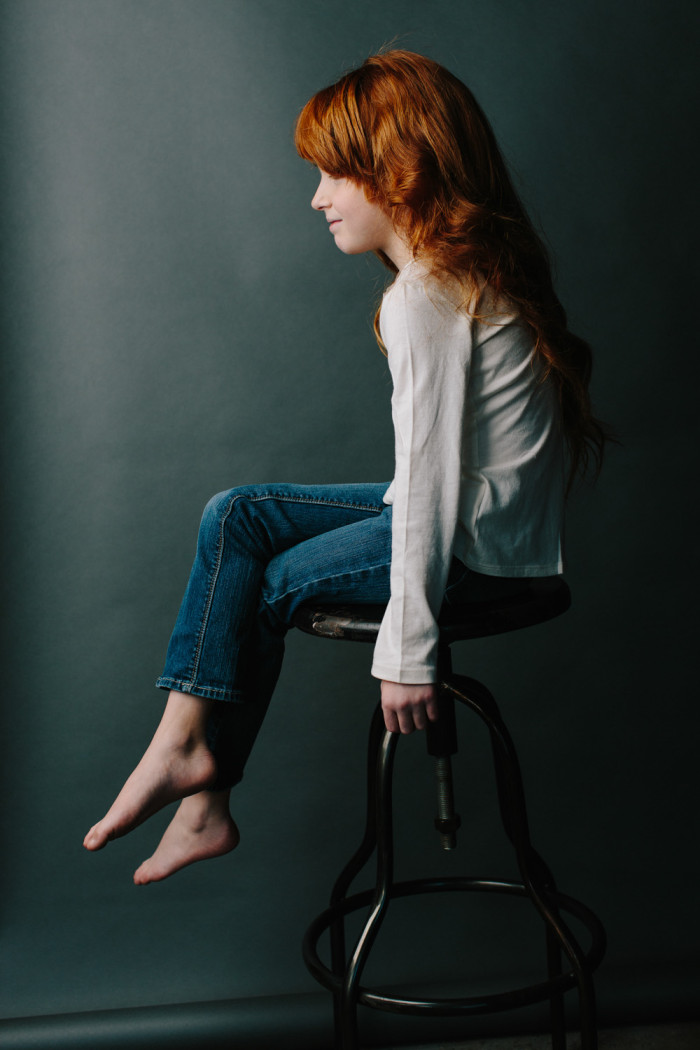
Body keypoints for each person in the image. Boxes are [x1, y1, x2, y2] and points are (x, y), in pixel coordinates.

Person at [83, 50, 605, 884]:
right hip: (485, 525)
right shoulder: (458, 275)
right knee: (238, 514)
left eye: (335, 174)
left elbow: (432, 477)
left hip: (471, 548)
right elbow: (435, 476)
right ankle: (191, 766)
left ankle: (199, 772)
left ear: (398, 173)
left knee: (269, 576)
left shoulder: (425, 295)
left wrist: (409, 648)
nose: (318, 197)